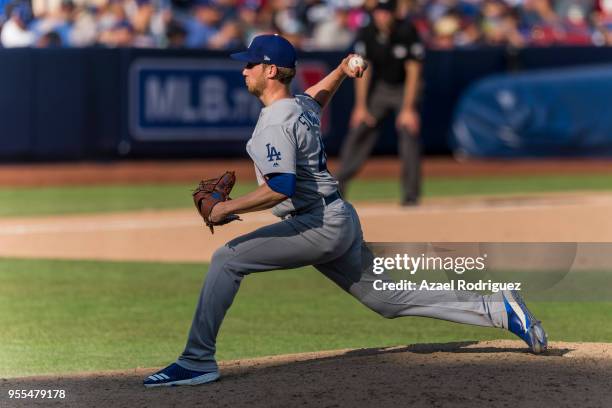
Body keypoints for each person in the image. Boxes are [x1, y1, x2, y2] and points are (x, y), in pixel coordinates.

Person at [143, 33, 547, 388]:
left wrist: (224, 209)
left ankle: (196, 361)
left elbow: (279, 188)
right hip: (338, 219)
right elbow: (319, 96)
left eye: (249, 64)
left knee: (227, 260)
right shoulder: (298, 106)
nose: (243, 70)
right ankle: (499, 307)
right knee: (388, 301)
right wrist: (340, 70)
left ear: (269, 71)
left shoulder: (275, 123)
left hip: (316, 225)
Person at [335, 0, 424, 206]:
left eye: (386, 13)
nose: (381, 17)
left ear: (394, 13)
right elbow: (365, 72)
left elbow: (414, 71)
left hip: (404, 89)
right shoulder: (367, 32)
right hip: (380, 90)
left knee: (408, 133)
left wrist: (409, 108)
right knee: (360, 130)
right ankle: (336, 190)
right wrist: (360, 106)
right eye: (378, 13)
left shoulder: (407, 30)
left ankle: (410, 195)